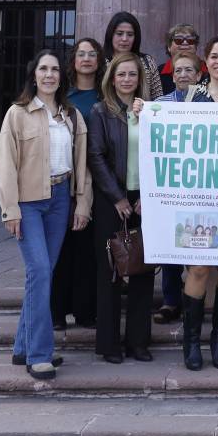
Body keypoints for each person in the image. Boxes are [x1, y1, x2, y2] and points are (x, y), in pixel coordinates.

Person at [0, 49, 92, 381]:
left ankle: (22, 347)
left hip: (60, 199)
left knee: (42, 274)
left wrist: (82, 203)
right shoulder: (18, 113)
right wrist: (10, 209)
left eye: (54, 70)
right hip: (29, 202)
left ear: (61, 76)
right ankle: (39, 354)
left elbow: (82, 165)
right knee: (39, 270)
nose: (49, 75)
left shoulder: (71, 115)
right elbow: (6, 165)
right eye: (43, 69)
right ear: (34, 75)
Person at [163, 35, 218, 370]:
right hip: (197, 198)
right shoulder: (189, 98)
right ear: (206, 61)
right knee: (198, 267)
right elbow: (165, 130)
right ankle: (191, 341)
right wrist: (144, 110)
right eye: (214, 56)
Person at [86, 55, 154, 364]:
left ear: (140, 79)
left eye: (132, 75)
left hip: (144, 197)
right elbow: (96, 156)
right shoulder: (100, 111)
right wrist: (117, 197)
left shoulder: (150, 111)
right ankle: (109, 343)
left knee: (143, 268)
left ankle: (138, 342)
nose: (127, 80)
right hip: (111, 198)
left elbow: (161, 154)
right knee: (110, 270)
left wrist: (149, 195)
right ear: (112, 79)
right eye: (121, 74)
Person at [52, 37, 107, 331]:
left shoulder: (105, 95)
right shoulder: (63, 96)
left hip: (100, 180)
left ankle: (86, 310)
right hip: (68, 178)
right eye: (81, 54)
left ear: (99, 60)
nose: (86, 59)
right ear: (73, 60)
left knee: (89, 250)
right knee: (62, 248)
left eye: (92, 54)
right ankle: (57, 311)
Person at [150, 52, 200, 323]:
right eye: (178, 70)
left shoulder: (211, 105)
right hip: (171, 184)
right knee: (170, 243)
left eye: (188, 70)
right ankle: (170, 301)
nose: (183, 75)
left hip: (202, 186)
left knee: (199, 245)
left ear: (198, 75)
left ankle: (195, 301)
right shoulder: (159, 106)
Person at [104, 10, 165, 102]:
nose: (124, 39)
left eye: (130, 34)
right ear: (110, 35)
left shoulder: (147, 62)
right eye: (119, 34)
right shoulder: (101, 62)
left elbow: (158, 99)